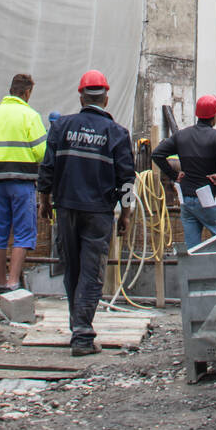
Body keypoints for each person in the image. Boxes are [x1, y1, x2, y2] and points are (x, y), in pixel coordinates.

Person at [37, 70, 136, 356]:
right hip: (98, 212)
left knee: (73, 269)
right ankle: (82, 336)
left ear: (81, 95)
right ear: (106, 97)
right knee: (92, 272)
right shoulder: (116, 133)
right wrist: (126, 213)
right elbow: (127, 179)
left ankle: (77, 327)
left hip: (66, 208)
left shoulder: (61, 127)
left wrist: (44, 200)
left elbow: (47, 168)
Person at [0, 73, 47, 294]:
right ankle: (14, 283)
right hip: (23, 183)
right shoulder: (30, 115)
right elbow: (42, 151)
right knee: (24, 232)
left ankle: (1, 283)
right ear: (26, 93)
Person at [152, 95, 216, 246]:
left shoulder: (181, 135)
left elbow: (157, 154)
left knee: (192, 250)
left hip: (187, 202)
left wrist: (173, 175)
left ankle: (192, 269)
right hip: (211, 201)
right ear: (215, 116)